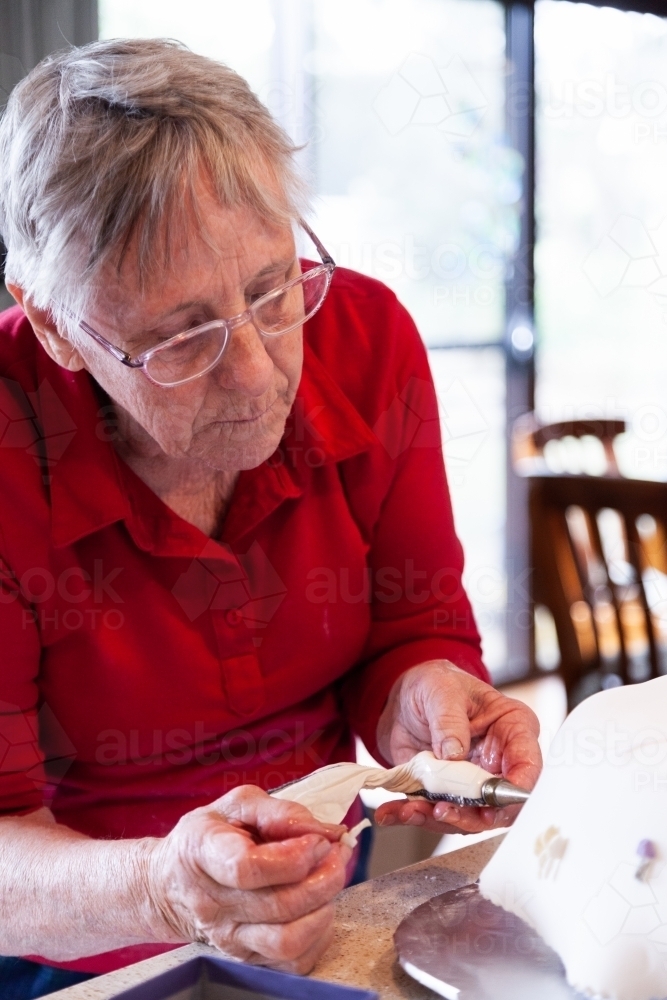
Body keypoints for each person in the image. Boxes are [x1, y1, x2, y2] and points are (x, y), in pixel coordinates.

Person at [0, 37, 542, 998]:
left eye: (269, 290)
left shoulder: (366, 340)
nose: (259, 377)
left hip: (326, 895)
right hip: (74, 946)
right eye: (178, 335)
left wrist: (425, 694)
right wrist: (168, 892)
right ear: (52, 325)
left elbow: (412, 629)